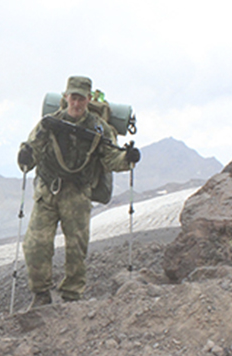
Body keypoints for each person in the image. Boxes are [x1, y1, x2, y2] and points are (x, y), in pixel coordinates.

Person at [18, 75, 141, 309]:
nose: (76, 104)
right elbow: (31, 149)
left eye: (81, 99)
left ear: (87, 100)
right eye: (73, 98)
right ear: (66, 98)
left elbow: (111, 158)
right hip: (47, 191)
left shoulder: (99, 128)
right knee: (35, 244)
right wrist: (24, 157)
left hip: (77, 194)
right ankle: (41, 293)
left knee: (76, 248)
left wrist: (128, 158)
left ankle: (72, 296)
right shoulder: (48, 123)